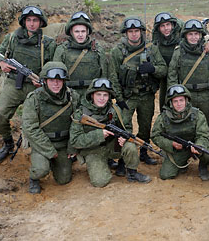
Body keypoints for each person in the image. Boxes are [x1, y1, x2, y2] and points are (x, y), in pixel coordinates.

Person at [0, 5, 56, 165]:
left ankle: (38, 152)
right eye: (29, 20)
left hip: (35, 87)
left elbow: (52, 67)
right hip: (13, 83)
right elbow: (0, 55)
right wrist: (1, 64)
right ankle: (8, 143)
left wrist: (43, 81)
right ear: (23, 22)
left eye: (35, 20)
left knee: (33, 122)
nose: (32, 24)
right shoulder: (12, 38)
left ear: (41, 23)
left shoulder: (47, 44)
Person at [68, 77, 151, 185]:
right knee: (100, 181)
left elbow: (126, 127)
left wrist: (123, 138)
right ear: (92, 95)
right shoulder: (80, 114)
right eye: (98, 94)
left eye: (105, 95)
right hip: (93, 151)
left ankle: (132, 173)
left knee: (130, 145)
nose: (102, 98)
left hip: (111, 146)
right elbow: (75, 140)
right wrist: (99, 134)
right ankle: (102, 165)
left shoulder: (115, 110)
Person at [109, 18, 166, 165]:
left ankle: (143, 152)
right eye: (131, 32)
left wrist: (152, 69)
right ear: (126, 33)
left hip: (147, 95)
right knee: (123, 126)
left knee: (145, 126)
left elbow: (163, 70)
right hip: (128, 96)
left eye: (137, 31)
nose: (134, 34)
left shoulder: (152, 49)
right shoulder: (117, 51)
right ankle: (122, 157)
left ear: (141, 32)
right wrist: (119, 98)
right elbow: (113, 76)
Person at [166, 19, 209, 157]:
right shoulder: (179, 51)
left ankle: (206, 157)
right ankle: (184, 155)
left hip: (206, 96)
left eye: (196, 34)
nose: (193, 37)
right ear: (185, 35)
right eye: (190, 34)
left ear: (201, 35)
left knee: (207, 129)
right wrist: (174, 99)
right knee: (184, 126)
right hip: (185, 96)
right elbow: (172, 76)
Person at [21, 61, 77, 194]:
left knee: (64, 179)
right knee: (41, 170)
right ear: (45, 81)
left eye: (59, 80)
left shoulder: (73, 97)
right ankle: (34, 177)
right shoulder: (34, 99)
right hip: (42, 144)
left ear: (64, 81)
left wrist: (71, 146)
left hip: (63, 143)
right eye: (52, 80)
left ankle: (56, 163)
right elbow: (30, 128)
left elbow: (77, 123)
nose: (56, 83)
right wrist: (49, 151)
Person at [151, 84, 209, 181]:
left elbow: (203, 135)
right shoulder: (163, 117)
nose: (179, 104)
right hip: (177, 150)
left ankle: (203, 166)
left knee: (208, 155)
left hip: (194, 147)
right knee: (165, 175)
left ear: (186, 101)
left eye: (181, 100)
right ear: (171, 103)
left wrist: (198, 145)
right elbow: (155, 136)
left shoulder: (197, 115)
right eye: (175, 101)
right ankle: (181, 163)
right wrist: (171, 144)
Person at [52, 11, 108, 92]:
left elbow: (104, 76)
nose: (80, 35)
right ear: (71, 32)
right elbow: (56, 75)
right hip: (69, 93)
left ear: (87, 32)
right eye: (77, 31)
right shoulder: (62, 49)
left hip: (92, 93)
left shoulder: (97, 49)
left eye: (83, 31)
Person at [151, 12, 183, 105]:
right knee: (165, 105)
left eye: (168, 25)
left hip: (182, 76)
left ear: (173, 25)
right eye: (162, 26)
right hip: (165, 78)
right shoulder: (157, 40)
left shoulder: (182, 36)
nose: (166, 28)